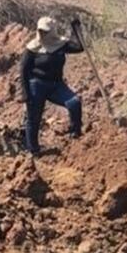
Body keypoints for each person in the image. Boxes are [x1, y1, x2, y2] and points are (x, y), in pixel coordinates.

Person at [21, 16, 85, 156]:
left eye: (46, 31)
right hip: (36, 85)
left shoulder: (59, 44)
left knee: (74, 103)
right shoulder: (33, 48)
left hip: (56, 85)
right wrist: (25, 93)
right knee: (34, 118)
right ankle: (33, 150)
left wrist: (75, 28)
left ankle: (76, 134)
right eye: (41, 31)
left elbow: (80, 47)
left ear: (52, 31)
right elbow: (24, 71)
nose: (43, 34)